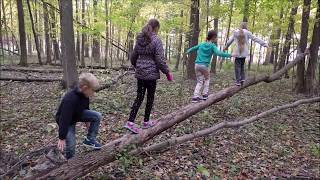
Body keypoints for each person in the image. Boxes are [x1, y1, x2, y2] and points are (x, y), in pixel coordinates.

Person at [124, 18, 173, 134]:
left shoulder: (139, 39)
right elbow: (160, 60)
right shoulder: (156, 40)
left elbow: (133, 57)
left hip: (140, 75)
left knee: (139, 97)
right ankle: (146, 122)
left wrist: (138, 66)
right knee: (150, 97)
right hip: (151, 76)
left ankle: (130, 122)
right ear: (156, 28)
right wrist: (167, 72)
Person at [55, 73, 102, 159]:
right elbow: (64, 119)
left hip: (77, 114)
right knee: (71, 145)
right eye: (92, 90)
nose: (93, 93)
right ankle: (69, 161)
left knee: (97, 116)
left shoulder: (85, 95)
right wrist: (61, 137)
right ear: (85, 88)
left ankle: (90, 140)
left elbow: (86, 109)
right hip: (67, 121)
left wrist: (88, 124)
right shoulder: (70, 99)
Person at [187, 30, 233, 103]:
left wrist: (188, 51)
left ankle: (195, 97)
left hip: (197, 65)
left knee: (199, 81)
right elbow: (219, 53)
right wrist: (229, 55)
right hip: (204, 66)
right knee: (207, 79)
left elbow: (193, 48)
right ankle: (205, 95)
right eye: (216, 37)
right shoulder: (212, 46)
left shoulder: (201, 44)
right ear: (213, 37)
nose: (216, 39)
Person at [224, 22, 268, 86]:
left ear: (240, 26)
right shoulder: (248, 32)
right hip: (244, 52)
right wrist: (264, 44)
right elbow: (255, 39)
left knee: (237, 67)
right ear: (246, 27)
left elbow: (230, 41)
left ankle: (238, 81)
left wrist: (226, 47)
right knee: (241, 65)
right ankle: (242, 79)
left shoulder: (235, 32)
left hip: (237, 52)